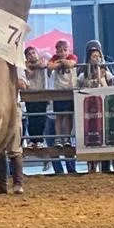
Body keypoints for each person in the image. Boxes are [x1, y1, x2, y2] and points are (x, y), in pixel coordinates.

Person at [43, 38, 77, 173]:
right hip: (58, 91)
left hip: (69, 90)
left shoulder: (72, 57)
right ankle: (58, 138)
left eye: (65, 50)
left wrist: (63, 62)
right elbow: (50, 66)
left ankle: (67, 137)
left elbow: (71, 64)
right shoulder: (54, 58)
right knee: (59, 116)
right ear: (56, 51)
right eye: (60, 50)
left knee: (68, 116)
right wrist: (60, 62)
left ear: (68, 50)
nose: (63, 53)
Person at [21, 45, 50, 146]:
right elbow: (29, 74)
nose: (31, 55)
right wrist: (32, 65)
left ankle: (40, 140)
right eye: (29, 54)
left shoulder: (43, 59)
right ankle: (32, 140)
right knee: (32, 119)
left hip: (42, 94)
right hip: (30, 95)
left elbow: (44, 64)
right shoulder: (25, 65)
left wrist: (35, 64)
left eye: (33, 52)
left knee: (41, 118)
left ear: (37, 53)